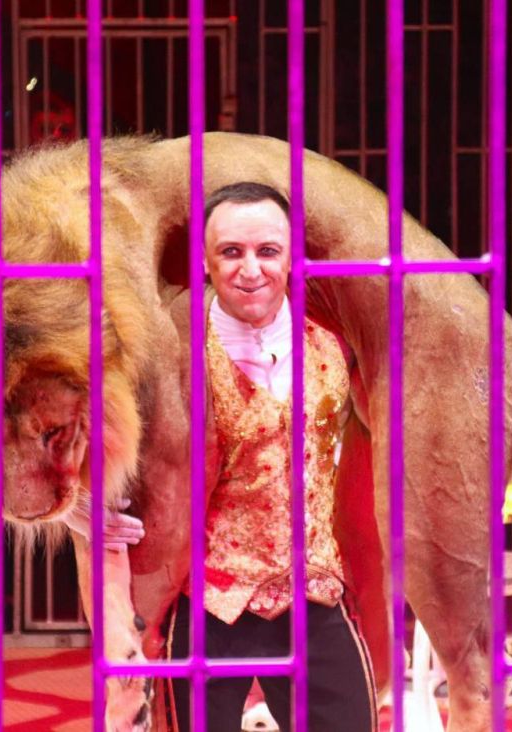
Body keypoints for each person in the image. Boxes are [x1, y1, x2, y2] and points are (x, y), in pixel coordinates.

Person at [164, 182, 378, 732]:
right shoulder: (173, 356)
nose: (250, 269)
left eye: (267, 251)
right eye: (231, 252)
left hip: (315, 591)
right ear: (205, 261)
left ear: (292, 257)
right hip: (209, 599)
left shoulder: (336, 345)